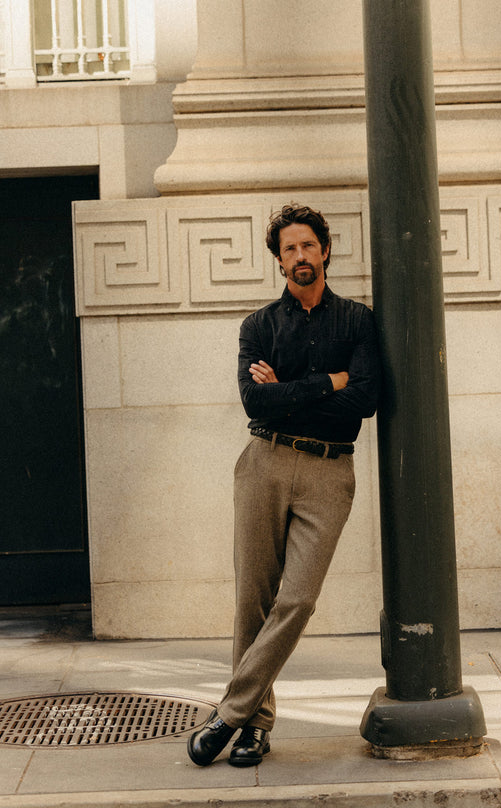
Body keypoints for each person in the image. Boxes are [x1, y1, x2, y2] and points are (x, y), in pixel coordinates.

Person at [187, 203, 380, 768]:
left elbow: (364, 401)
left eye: (308, 246)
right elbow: (255, 401)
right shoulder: (258, 327)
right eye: (289, 249)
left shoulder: (358, 321)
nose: (300, 256)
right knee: (254, 599)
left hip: (328, 470)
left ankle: (228, 712)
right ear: (279, 261)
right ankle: (255, 728)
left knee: (296, 600)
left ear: (325, 251)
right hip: (264, 464)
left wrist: (292, 390)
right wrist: (328, 382)